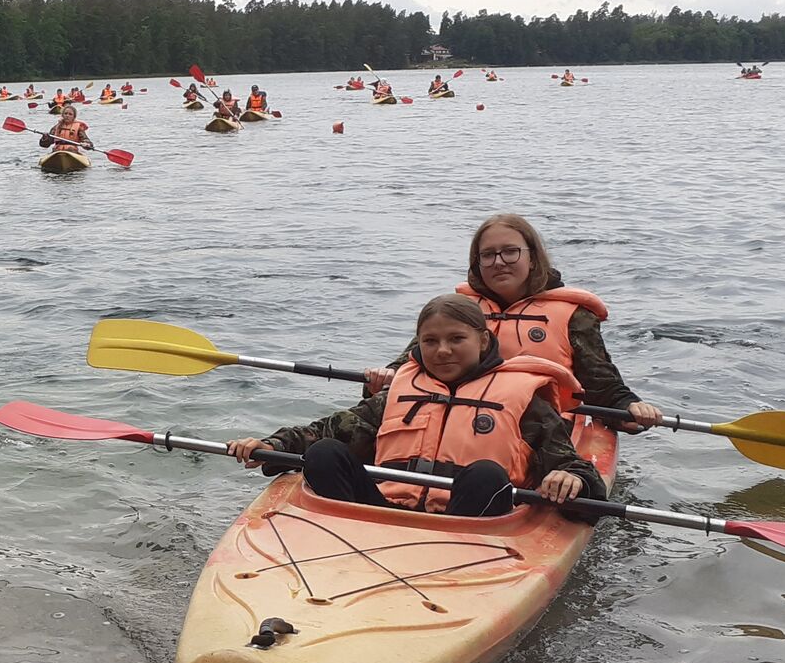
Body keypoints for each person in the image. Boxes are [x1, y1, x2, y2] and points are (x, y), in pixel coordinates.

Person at [226, 295, 606, 516]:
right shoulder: (401, 389)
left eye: (456, 339)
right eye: (430, 341)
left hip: (468, 523)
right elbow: (326, 430)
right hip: (378, 513)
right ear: (418, 345)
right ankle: (335, 535)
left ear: (483, 341)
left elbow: (572, 465)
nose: (442, 351)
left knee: (486, 475)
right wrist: (272, 445)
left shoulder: (525, 400)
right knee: (324, 452)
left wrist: (570, 479)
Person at [363, 214, 664, 431]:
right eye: (488, 255)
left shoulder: (574, 315)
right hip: (453, 417)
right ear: (477, 263)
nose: (498, 262)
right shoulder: (459, 309)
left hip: (536, 425)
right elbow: (411, 362)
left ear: (532, 258)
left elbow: (601, 383)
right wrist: (384, 377)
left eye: (510, 252)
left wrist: (628, 408)